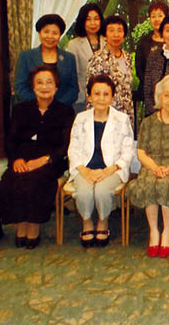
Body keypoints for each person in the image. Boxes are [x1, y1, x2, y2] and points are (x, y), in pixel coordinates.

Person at [0, 65, 75, 249]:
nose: (44, 86)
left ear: (56, 86)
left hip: (50, 162)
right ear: (33, 86)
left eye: (49, 82)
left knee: (35, 183)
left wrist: (45, 160)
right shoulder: (20, 110)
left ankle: (33, 226)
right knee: (6, 185)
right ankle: (20, 223)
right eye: (39, 82)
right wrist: (16, 160)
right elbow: (11, 140)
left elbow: (66, 145)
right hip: (22, 160)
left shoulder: (65, 112)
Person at [127, 75, 169, 258]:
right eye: (167, 95)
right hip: (151, 165)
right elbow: (141, 153)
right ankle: (154, 231)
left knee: (165, 185)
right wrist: (155, 167)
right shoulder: (147, 122)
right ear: (159, 97)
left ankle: (167, 232)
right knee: (149, 184)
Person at [67, 74, 134, 247]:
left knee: (102, 191)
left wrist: (111, 169)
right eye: (96, 94)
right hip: (85, 168)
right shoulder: (81, 119)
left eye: (106, 94)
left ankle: (103, 221)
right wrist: (84, 170)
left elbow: (128, 150)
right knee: (83, 192)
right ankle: (87, 221)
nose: (101, 98)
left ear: (112, 97)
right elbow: (73, 148)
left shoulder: (122, 119)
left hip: (111, 169)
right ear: (89, 97)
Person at [15, 14, 78, 108]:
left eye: (55, 33)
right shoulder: (26, 56)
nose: (50, 36)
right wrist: (42, 104)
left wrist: (56, 106)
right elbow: (20, 88)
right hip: (32, 109)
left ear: (60, 35)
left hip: (62, 110)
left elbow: (73, 89)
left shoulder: (69, 58)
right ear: (39, 33)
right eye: (46, 32)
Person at [86, 15, 134, 122]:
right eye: (111, 30)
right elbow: (91, 91)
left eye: (119, 30)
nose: (116, 35)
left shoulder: (127, 57)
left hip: (126, 114)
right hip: (105, 116)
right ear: (105, 35)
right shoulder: (97, 59)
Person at [66, 4, 106, 113]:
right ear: (82, 21)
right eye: (88, 19)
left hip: (105, 98)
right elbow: (73, 74)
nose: (93, 23)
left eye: (96, 19)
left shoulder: (107, 41)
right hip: (83, 98)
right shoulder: (74, 44)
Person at [134, 1, 169, 103]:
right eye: (153, 16)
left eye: (160, 16)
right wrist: (152, 85)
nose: (156, 19)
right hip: (149, 92)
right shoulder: (143, 42)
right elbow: (139, 68)